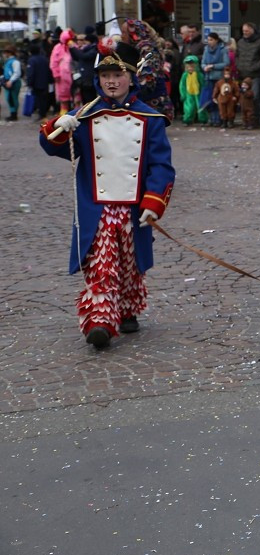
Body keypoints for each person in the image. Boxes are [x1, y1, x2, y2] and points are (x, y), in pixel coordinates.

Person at [38, 41, 175, 348]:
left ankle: (127, 309)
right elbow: (51, 146)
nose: (111, 81)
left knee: (130, 262)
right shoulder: (84, 115)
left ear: (131, 77)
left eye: (118, 74)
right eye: (105, 75)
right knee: (101, 263)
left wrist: (153, 202)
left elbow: (162, 166)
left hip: (132, 206)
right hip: (97, 207)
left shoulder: (150, 119)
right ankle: (99, 320)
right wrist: (56, 126)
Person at [235, 23, 260, 127]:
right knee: (244, 98)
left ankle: (255, 120)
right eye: (243, 31)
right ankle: (246, 120)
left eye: (246, 31)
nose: (244, 33)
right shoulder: (240, 42)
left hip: (256, 74)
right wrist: (238, 65)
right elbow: (237, 55)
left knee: (255, 97)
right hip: (243, 74)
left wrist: (255, 67)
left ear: (252, 30)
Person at [50, 29, 75, 114]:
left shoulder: (73, 47)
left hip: (74, 76)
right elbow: (53, 62)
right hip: (62, 77)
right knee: (63, 99)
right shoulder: (58, 48)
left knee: (76, 97)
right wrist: (56, 74)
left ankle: (77, 116)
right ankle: (63, 116)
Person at [179, 54, 209, 125]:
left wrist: (204, 93)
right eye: (188, 67)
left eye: (192, 67)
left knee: (201, 107)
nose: (190, 68)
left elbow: (203, 84)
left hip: (198, 93)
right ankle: (188, 120)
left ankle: (203, 119)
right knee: (189, 108)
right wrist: (183, 94)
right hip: (188, 93)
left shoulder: (199, 75)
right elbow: (182, 85)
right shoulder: (185, 75)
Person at [2, 46, 22, 121]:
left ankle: (14, 115)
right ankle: (12, 113)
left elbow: (17, 73)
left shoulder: (15, 61)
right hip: (8, 81)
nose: (5, 54)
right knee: (9, 98)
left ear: (10, 53)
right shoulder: (8, 61)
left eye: (6, 52)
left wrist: (11, 81)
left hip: (13, 82)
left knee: (13, 98)